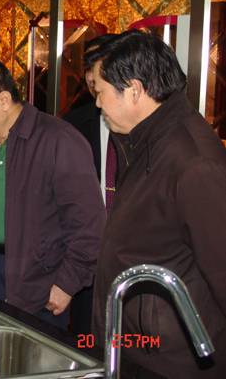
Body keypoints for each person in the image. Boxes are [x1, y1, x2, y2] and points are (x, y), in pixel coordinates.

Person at [89, 30, 226, 378]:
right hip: (140, 348)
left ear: (134, 90)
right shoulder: (147, 140)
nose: (98, 104)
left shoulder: (193, 161)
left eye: (101, 92)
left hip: (174, 359)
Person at [0, 58, 105, 329]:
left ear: (3, 100)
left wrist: (67, 283)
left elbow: (89, 224)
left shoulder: (57, 139)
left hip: (34, 279)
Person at [63, 33, 117, 333]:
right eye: (88, 68)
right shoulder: (72, 124)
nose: (92, 77)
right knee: (85, 338)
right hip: (85, 255)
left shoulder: (143, 130)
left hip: (127, 254)